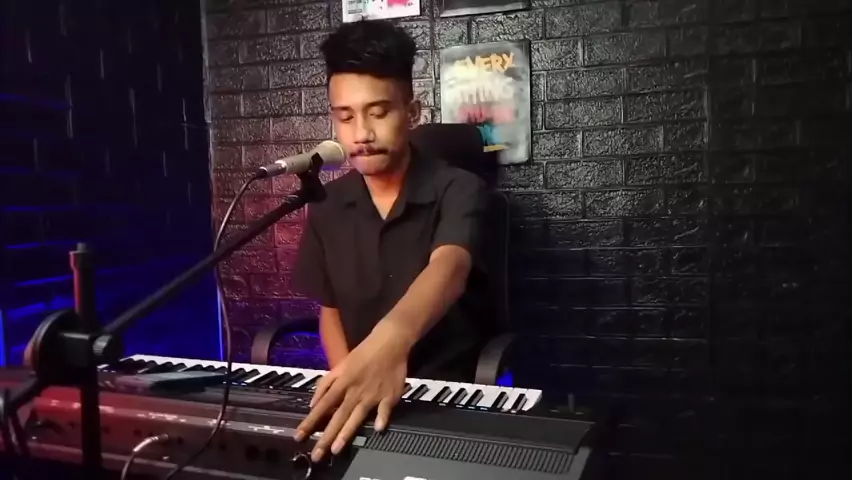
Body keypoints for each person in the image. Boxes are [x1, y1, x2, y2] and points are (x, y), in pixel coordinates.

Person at [290, 19, 490, 462]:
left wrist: (389, 343)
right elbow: (330, 311)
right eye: (345, 117)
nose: (361, 133)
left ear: (412, 113)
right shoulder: (325, 204)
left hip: (442, 397)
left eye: (378, 112)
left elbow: (450, 267)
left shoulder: (460, 188)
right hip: (362, 392)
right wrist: (350, 379)